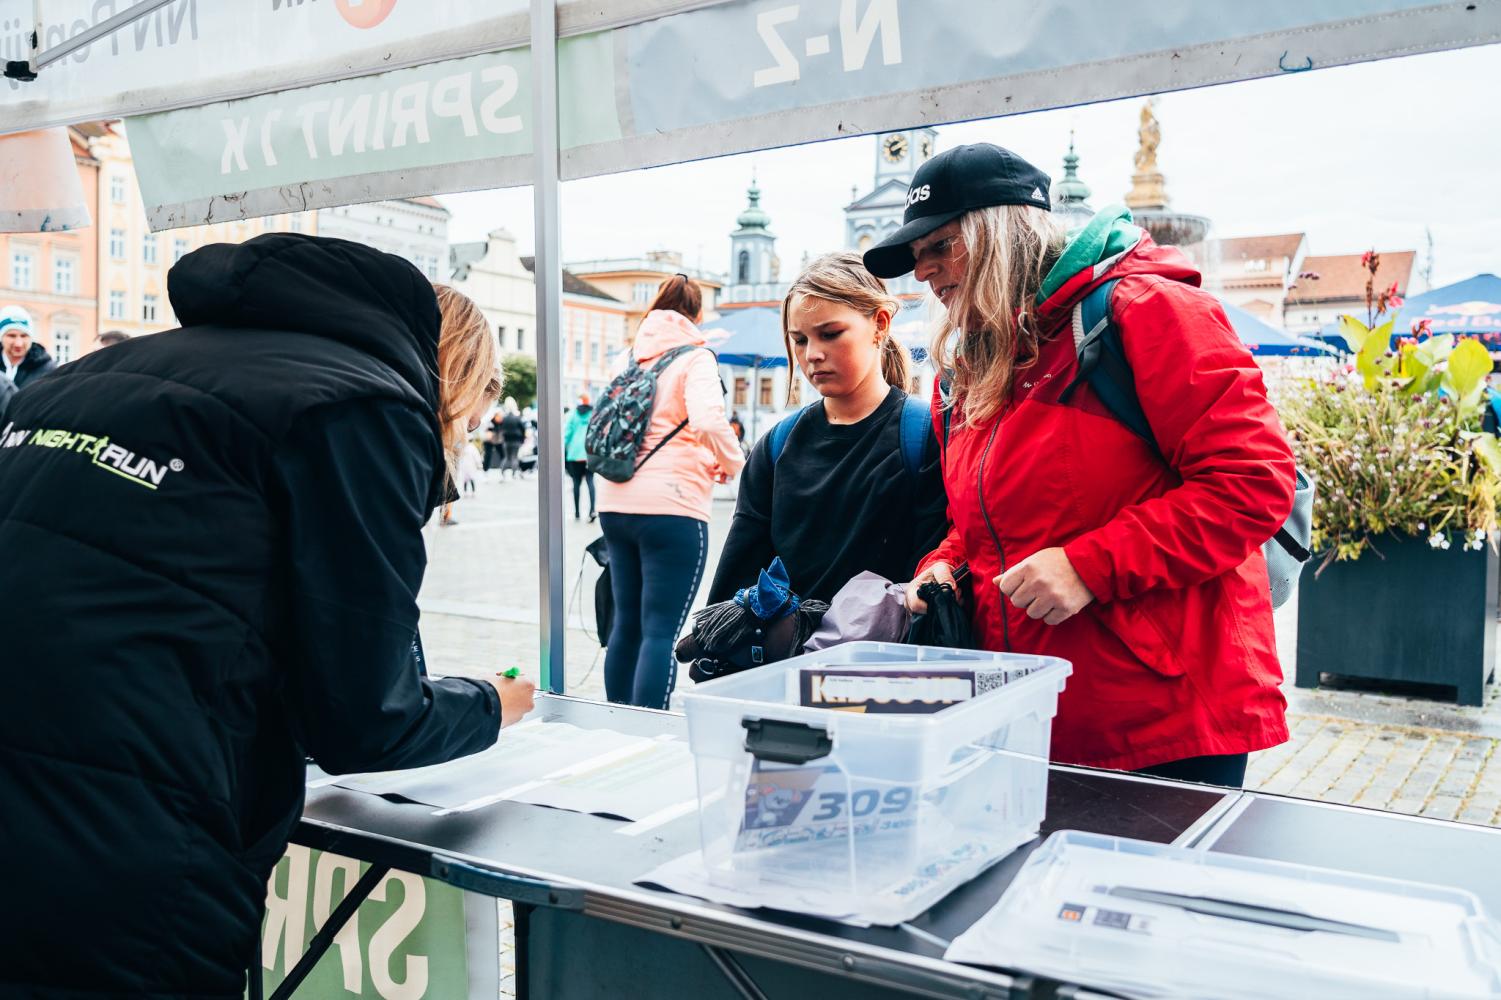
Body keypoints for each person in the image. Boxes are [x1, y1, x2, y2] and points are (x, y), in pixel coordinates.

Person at [0, 233, 536, 998]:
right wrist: (489, 704)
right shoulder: (362, 407)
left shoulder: (84, 376)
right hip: (136, 843)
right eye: (471, 420)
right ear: (454, 378)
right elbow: (365, 720)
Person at [864, 144, 1295, 788]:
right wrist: (944, 564)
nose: (923, 272)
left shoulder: (1145, 310)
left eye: (940, 246)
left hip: (1163, 717)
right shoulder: (970, 368)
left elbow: (1252, 483)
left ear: (1002, 234)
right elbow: (981, 522)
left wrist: (1089, 566)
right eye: (916, 256)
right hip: (1031, 709)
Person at [707, 252, 948, 607]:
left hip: (892, 642)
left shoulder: (926, 435)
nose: (812, 354)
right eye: (800, 340)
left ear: (880, 324)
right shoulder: (775, 446)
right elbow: (733, 588)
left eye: (830, 334)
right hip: (790, 644)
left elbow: (938, 571)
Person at [598, 274, 745, 708]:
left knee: (626, 623)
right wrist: (736, 465)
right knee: (660, 630)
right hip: (673, 505)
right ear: (696, 316)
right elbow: (707, 420)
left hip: (614, 500)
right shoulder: (695, 358)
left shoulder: (628, 358)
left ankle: (616, 722)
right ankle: (646, 729)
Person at [1, 304, 56, 388]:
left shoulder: (47, 369)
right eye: (12, 336)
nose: (18, 343)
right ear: (1, 337)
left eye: (24, 336)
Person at [563, 392, 597, 521]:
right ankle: (592, 510)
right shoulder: (593, 414)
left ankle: (577, 512)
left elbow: (567, 433)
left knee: (576, 483)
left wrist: (563, 447)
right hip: (589, 453)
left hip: (575, 453)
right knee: (590, 481)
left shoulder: (573, 414)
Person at [499, 396, 526, 478]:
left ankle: (502, 472)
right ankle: (514, 473)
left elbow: (501, 428)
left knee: (507, 457)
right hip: (516, 441)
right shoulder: (517, 418)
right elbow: (523, 428)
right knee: (514, 457)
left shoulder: (504, 418)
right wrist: (523, 438)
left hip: (506, 441)